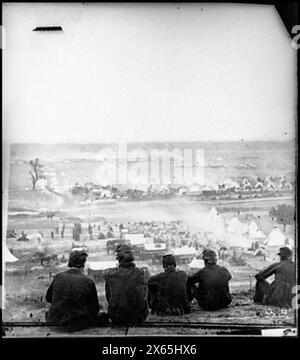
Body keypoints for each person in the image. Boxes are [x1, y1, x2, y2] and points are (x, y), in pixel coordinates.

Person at [45, 250, 108, 328]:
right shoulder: (88, 281)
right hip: (78, 324)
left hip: (54, 321)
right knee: (104, 317)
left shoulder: (58, 276)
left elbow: (48, 298)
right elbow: (94, 309)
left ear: (69, 263)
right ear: (83, 264)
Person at [104, 244, 149, 325]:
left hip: (117, 317)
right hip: (139, 317)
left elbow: (108, 296)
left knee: (110, 284)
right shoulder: (142, 273)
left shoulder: (110, 274)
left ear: (118, 258)